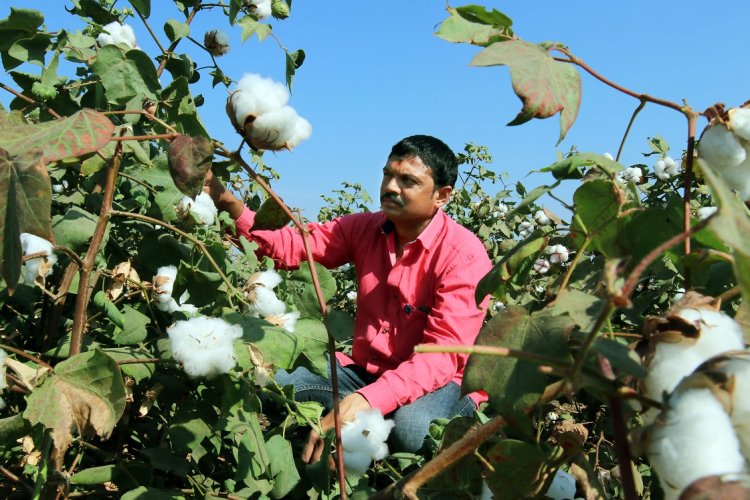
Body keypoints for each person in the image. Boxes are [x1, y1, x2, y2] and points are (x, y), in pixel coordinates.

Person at [205, 135, 492, 463]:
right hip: (367, 372)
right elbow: (290, 246)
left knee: (411, 430)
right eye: (388, 175)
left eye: (408, 181)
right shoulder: (364, 228)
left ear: (442, 196)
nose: (391, 187)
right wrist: (222, 198)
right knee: (271, 382)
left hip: (442, 383)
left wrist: (368, 400)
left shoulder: (464, 257)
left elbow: (441, 359)